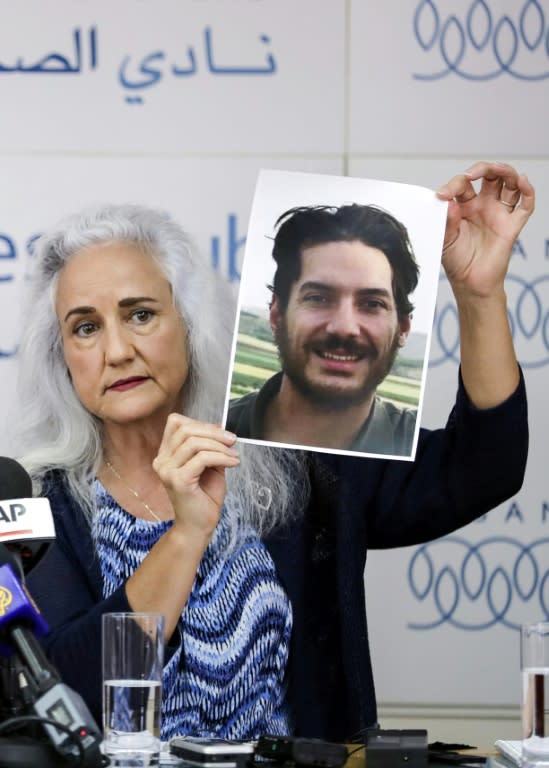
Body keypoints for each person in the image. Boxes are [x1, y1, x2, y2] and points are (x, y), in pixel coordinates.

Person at [14, 161, 533, 743]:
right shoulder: (36, 504)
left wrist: (479, 292)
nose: (116, 350)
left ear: (191, 324)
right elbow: (62, 697)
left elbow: (482, 469)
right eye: (85, 327)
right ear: (61, 355)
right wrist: (185, 536)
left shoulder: (294, 456)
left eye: (140, 314)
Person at [228, 203, 421, 456]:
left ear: (403, 328)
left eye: (372, 304)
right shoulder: (214, 429)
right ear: (277, 314)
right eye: (318, 298)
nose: (344, 328)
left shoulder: (421, 446)